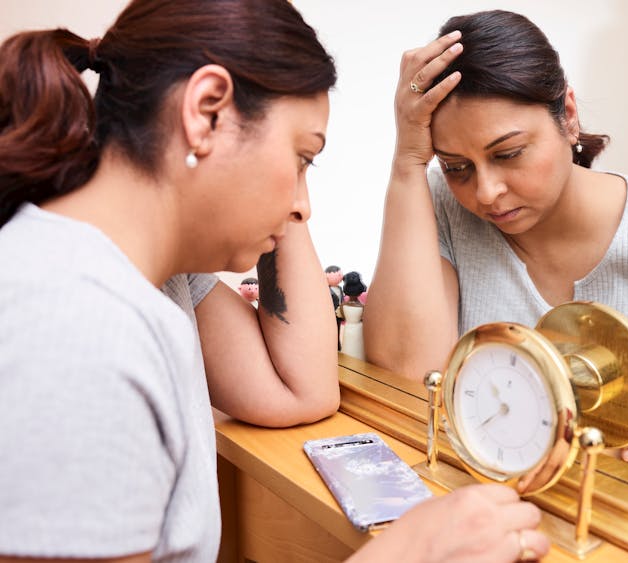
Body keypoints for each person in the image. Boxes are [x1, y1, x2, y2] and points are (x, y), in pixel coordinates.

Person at [0, 1, 549, 561]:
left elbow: (302, 391)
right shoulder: (76, 325)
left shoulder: (156, 282)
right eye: (304, 158)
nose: (304, 207)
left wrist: (274, 199)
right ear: (206, 110)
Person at [364, 9, 628, 477]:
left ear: (568, 118)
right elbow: (409, 382)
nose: (485, 193)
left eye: (508, 154)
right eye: (456, 167)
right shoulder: (440, 208)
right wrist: (407, 161)